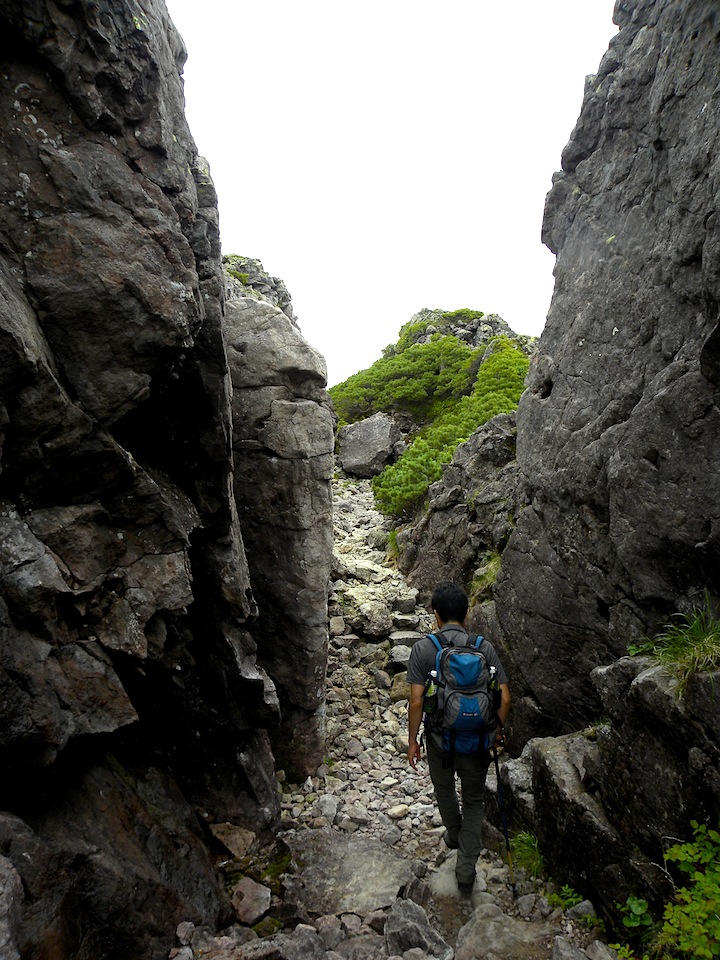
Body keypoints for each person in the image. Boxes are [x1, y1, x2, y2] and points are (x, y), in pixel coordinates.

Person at [406, 581, 511, 894]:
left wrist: (412, 741)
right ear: (466, 613)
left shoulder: (424, 649)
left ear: (435, 614)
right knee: (475, 799)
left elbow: (415, 701)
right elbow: (505, 699)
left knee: (444, 789)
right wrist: (495, 731)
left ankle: (454, 833)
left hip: (440, 739)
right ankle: (466, 868)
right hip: (478, 740)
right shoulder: (484, 647)